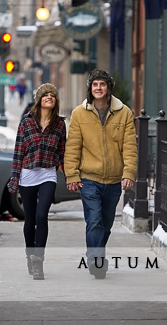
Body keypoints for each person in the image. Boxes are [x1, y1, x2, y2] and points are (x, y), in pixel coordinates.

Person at [64, 69, 137, 279]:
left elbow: (129, 147)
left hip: (114, 181)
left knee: (105, 224)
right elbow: (73, 147)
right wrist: (72, 175)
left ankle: (94, 253)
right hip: (89, 178)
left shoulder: (124, 113)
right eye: (95, 84)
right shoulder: (79, 113)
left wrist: (128, 172)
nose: (98, 88)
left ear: (108, 87)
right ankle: (96, 260)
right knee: (94, 220)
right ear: (90, 87)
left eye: (102, 85)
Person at [7, 83, 67, 280]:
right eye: (45, 95)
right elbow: (18, 151)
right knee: (30, 219)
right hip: (28, 174)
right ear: (39, 99)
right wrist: (15, 178)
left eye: (52, 95)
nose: (49, 97)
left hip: (48, 174)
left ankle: (38, 261)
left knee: (42, 216)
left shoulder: (59, 124)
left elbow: (62, 152)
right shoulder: (27, 122)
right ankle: (29, 256)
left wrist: (70, 175)